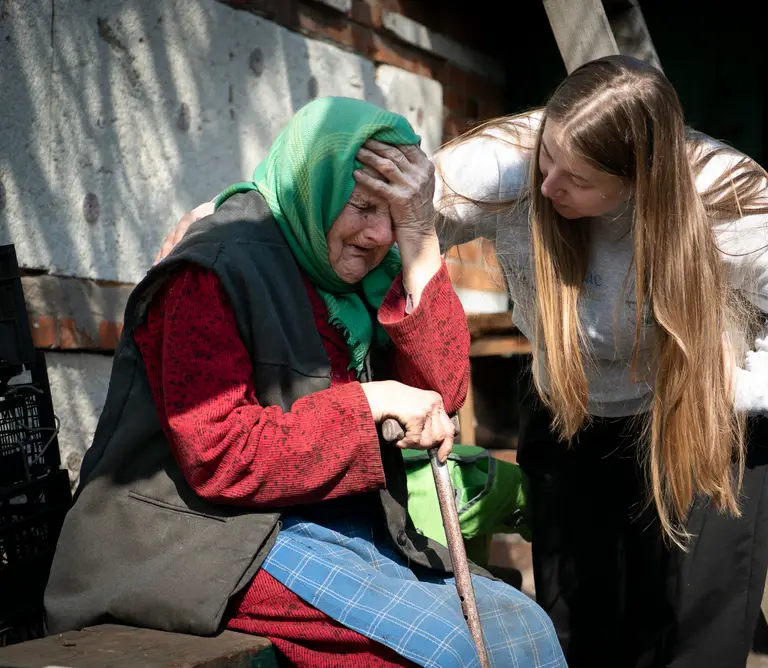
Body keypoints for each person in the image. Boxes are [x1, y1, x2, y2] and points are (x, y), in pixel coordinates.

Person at [157, 56, 768, 667]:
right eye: (547, 158)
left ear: (640, 182)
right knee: (574, 626)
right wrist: (229, 213)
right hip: (576, 408)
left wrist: (741, 391)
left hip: (696, 422)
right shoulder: (514, 160)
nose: (545, 186)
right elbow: (369, 197)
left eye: (575, 179)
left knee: (687, 635)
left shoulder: (725, 198)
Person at [45, 96, 566, 668]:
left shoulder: (363, 273)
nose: (378, 234)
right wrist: (369, 401)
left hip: (321, 524)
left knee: (525, 630)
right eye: (363, 206)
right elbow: (220, 457)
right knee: (446, 653)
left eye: (395, 214)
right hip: (198, 537)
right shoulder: (209, 271)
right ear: (316, 181)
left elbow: (442, 394)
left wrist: (420, 239)